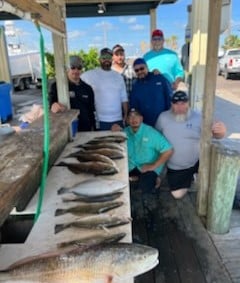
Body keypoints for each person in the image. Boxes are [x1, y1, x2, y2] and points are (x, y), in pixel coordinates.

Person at [155, 90, 226, 199]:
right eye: (176, 104)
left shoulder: (199, 117)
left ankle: (195, 176)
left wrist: (221, 131)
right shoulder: (162, 118)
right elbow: (156, 139)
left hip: (198, 161)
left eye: (183, 103)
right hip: (177, 167)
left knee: (218, 177)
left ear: (189, 103)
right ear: (171, 104)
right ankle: (189, 178)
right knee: (177, 195)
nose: (180, 107)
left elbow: (218, 134)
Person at [112, 108, 173, 195]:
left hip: (148, 166)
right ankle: (135, 179)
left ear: (141, 118)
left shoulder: (151, 132)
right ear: (127, 120)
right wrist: (114, 131)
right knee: (116, 181)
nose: (133, 119)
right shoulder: (124, 132)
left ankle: (152, 181)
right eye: (130, 116)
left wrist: (153, 165)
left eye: (136, 116)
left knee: (146, 188)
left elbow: (168, 150)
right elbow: (113, 143)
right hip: (132, 166)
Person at [81, 47, 128, 131]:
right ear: (99, 59)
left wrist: (126, 116)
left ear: (112, 59)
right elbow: (75, 78)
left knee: (118, 144)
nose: (106, 60)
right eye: (104, 57)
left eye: (109, 58)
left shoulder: (119, 76)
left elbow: (124, 98)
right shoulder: (90, 74)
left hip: (118, 120)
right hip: (100, 121)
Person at [49, 55, 96, 131]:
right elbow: (51, 105)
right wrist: (54, 106)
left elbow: (91, 112)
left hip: (85, 130)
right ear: (67, 69)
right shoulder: (57, 86)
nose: (76, 71)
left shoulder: (88, 88)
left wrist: (94, 128)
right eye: (73, 67)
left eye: (79, 68)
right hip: (66, 130)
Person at [129, 57, 172, 127]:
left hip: (162, 123)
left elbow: (169, 97)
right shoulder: (135, 85)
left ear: (147, 67)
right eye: (137, 70)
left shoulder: (159, 78)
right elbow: (134, 106)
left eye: (142, 68)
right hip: (145, 125)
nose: (140, 72)